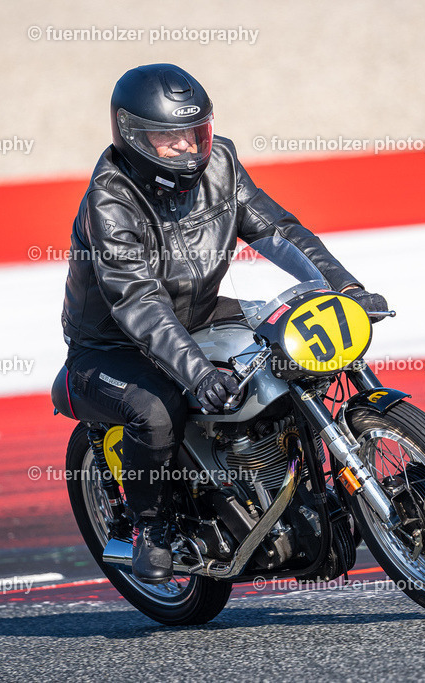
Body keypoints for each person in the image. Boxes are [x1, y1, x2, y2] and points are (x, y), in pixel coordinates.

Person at [58, 63, 387, 583]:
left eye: (195, 133)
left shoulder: (223, 163)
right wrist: (199, 373)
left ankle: (315, 481)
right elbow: (139, 300)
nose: (187, 147)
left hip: (200, 312)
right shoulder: (109, 202)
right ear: (132, 136)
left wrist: (343, 288)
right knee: (157, 411)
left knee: (297, 339)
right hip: (112, 345)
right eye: (169, 138)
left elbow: (278, 231)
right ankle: (152, 528)